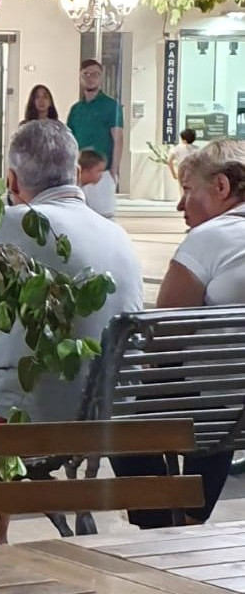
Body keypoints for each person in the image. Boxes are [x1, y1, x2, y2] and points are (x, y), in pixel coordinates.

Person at [0, 120, 143, 540]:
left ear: (12, 180)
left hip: (34, 419)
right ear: (76, 173)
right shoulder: (118, 234)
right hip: (108, 416)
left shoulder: (10, 223)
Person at [112, 138, 245, 529]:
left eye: (188, 191)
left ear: (221, 187)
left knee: (123, 412)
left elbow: (162, 334)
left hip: (215, 405)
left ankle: (160, 524)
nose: (180, 205)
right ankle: (190, 515)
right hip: (232, 410)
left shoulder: (212, 237)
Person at [67, 59, 123, 184]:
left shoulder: (111, 106)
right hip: (79, 172)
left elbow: (118, 139)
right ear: (80, 77)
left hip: (103, 172)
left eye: (95, 74)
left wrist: (114, 170)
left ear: (101, 77)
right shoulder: (76, 109)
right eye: (86, 74)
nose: (90, 78)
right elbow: (70, 141)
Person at [78, 148, 115, 219]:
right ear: (86, 171)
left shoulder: (83, 188)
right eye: (99, 171)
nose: (102, 175)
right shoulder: (74, 190)